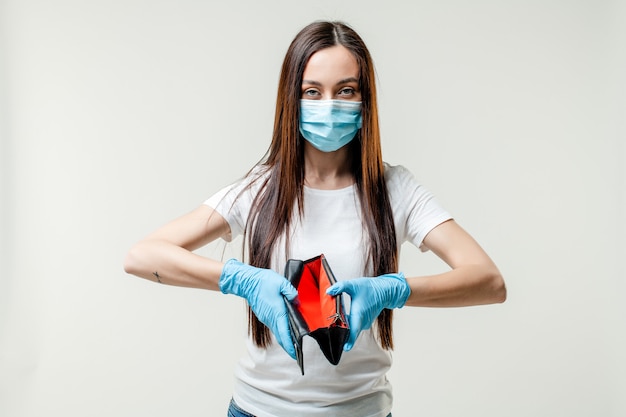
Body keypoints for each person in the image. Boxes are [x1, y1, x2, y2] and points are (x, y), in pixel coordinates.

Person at [123, 20, 506, 417]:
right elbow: (142, 256)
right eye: (312, 91)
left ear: (364, 100)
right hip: (257, 411)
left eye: (345, 90)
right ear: (292, 100)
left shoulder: (395, 189)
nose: (329, 105)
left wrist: (393, 290)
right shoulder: (261, 189)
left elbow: (489, 282)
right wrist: (240, 280)